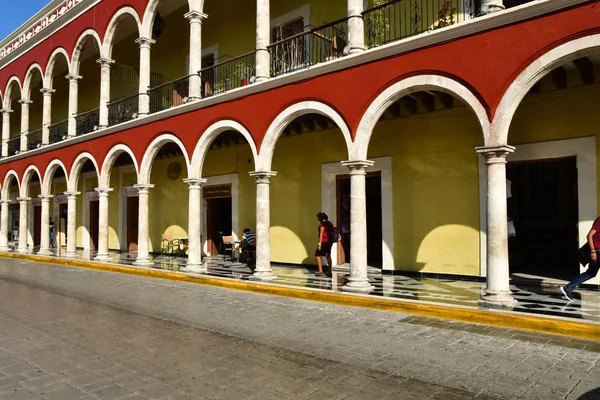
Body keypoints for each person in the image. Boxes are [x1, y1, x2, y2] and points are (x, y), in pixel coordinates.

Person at [561, 217, 600, 301]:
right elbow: (589, 236)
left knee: (591, 273)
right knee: (591, 273)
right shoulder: (599, 221)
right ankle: (567, 288)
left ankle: (567, 288)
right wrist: (593, 251)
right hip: (598, 251)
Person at [314, 212, 334, 277]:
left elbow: (321, 235)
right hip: (329, 241)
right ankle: (329, 271)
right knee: (328, 255)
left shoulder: (322, 224)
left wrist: (319, 244)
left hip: (324, 241)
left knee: (317, 255)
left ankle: (320, 271)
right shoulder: (329, 223)